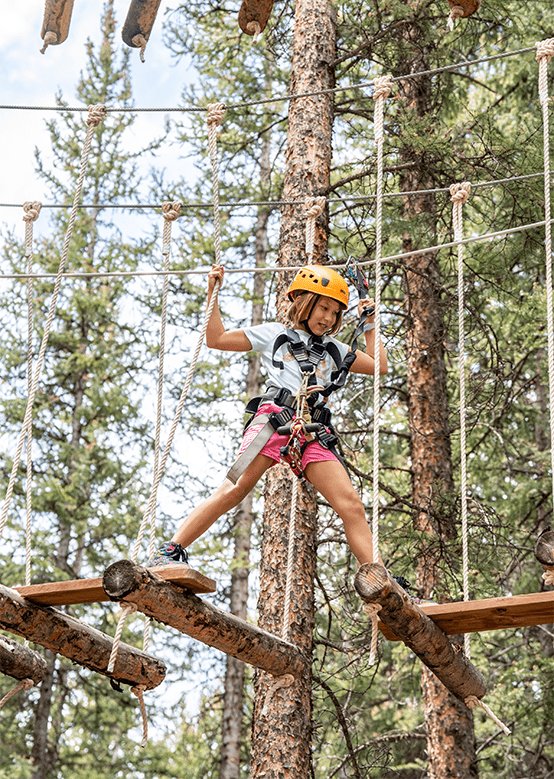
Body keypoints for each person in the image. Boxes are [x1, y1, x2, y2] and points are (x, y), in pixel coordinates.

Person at [150, 262, 388, 569]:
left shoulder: (334, 349)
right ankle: (169, 551)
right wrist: (214, 291)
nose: (328, 318)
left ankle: (383, 582)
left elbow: (379, 366)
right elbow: (217, 339)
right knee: (235, 489)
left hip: (312, 429)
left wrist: (370, 323)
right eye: (323, 308)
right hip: (275, 420)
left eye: (334, 313)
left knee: (351, 506)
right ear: (304, 303)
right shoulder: (274, 334)